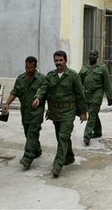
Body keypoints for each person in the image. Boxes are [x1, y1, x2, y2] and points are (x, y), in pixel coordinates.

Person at [32, 50, 87, 178]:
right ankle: (69, 156)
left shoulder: (73, 76)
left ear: (65, 61)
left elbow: (80, 94)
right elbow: (43, 88)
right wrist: (38, 97)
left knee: (63, 136)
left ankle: (57, 165)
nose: (58, 63)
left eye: (60, 60)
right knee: (60, 136)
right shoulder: (50, 76)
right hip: (55, 112)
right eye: (56, 61)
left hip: (68, 112)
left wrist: (83, 112)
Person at [1, 56, 45, 170]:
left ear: (35, 67)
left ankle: (27, 157)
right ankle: (37, 149)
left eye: (31, 67)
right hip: (25, 112)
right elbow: (14, 92)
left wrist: (47, 108)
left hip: (37, 112)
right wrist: (7, 104)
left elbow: (45, 93)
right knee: (28, 133)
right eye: (27, 67)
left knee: (32, 132)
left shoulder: (42, 79)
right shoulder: (20, 79)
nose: (28, 70)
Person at [79, 49, 112, 146]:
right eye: (90, 54)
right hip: (87, 95)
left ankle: (87, 135)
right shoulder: (84, 68)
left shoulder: (102, 68)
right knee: (93, 114)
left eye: (94, 55)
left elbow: (107, 83)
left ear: (97, 57)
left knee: (92, 113)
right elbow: (78, 81)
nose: (92, 56)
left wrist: (109, 97)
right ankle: (98, 131)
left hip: (97, 95)